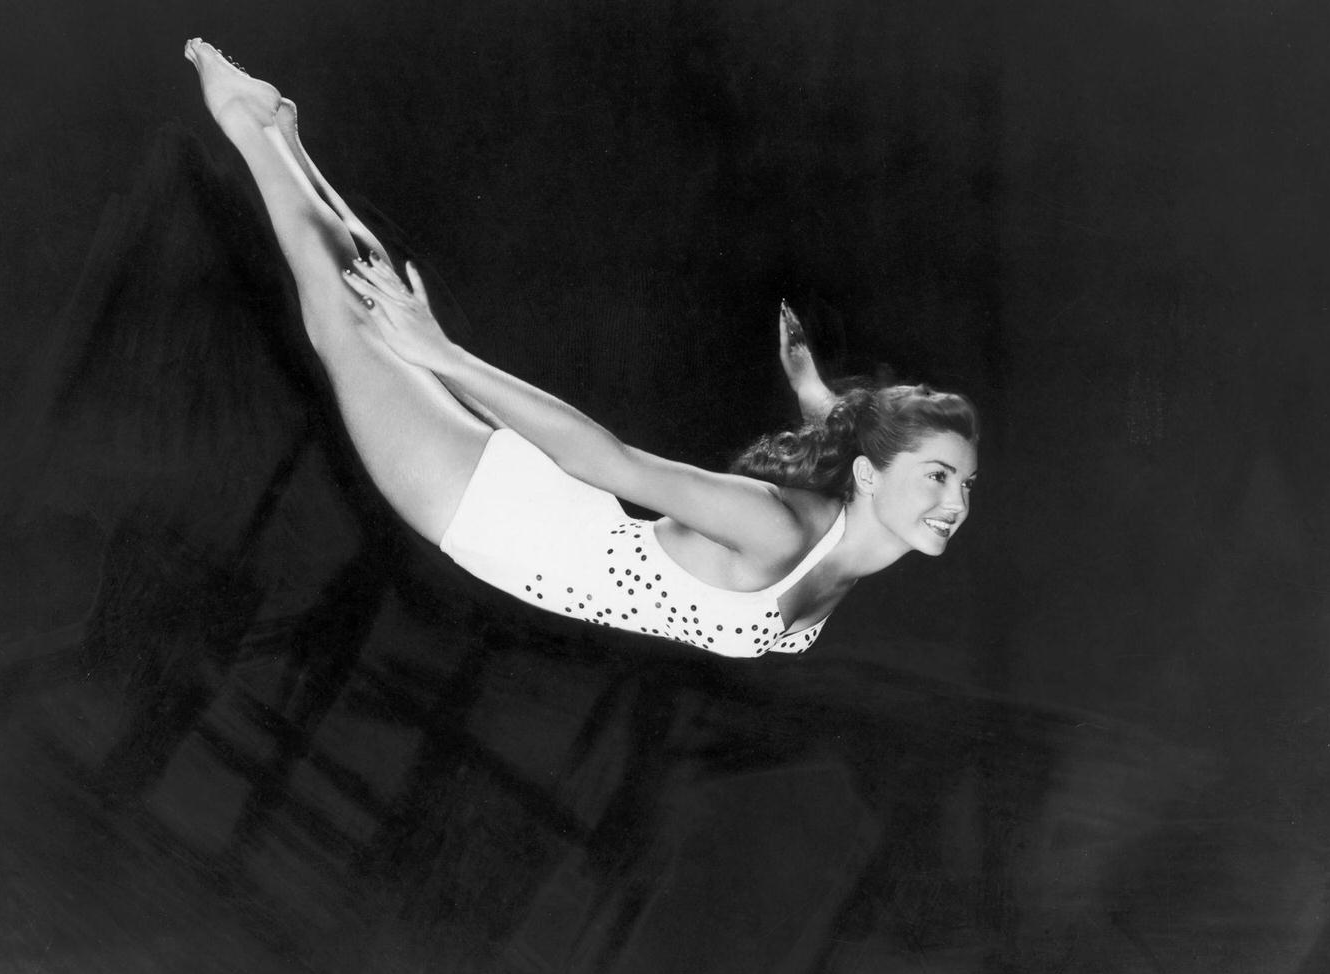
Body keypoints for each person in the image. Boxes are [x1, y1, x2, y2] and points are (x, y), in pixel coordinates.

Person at [182, 39, 980, 658]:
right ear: (874, 474)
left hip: (539, 525)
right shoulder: (779, 529)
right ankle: (250, 127)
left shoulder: (847, 523)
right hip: (489, 513)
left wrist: (816, 397)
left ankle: (280, 131)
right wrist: (446, 355)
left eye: (964, 481)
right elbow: (612, 462)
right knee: (346, 320)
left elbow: (855, 446)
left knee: (362, 306)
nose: (956, 502)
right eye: (941, 476)